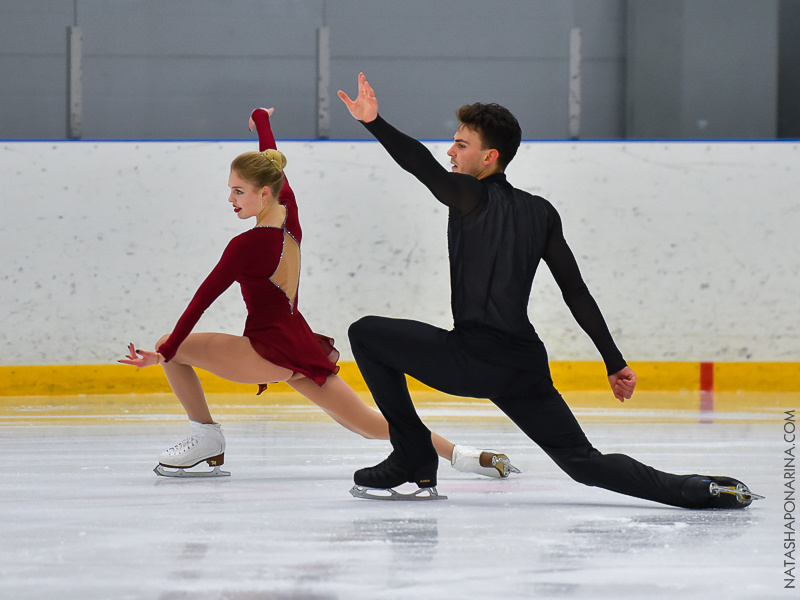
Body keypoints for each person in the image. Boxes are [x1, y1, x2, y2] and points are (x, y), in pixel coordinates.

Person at [337, 72, 761, 507]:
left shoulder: (469, 196)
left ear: (490, 157)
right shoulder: (541, 212)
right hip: (524, 364)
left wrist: (374, 122)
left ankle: (412, 453)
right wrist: (613, 361)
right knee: (583, 462)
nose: (450, 151)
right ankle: (700, 489)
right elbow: (575, 292)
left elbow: (419, 163)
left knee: (366, 334)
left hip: (472, 359)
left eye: (461, 145)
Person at [119, 106, 518, 480]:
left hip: (265, 350)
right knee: (369, 424)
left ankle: (207, 439)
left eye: (238, 191)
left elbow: (201, 301)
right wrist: (262, 122)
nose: (231, 199)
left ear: (263, 194)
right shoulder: (288, 214)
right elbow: (273, 163)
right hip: (298, 343)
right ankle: (467, 456)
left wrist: (165, 352)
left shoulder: (245, 246)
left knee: (171, 345)